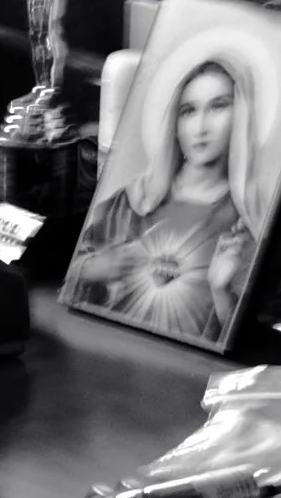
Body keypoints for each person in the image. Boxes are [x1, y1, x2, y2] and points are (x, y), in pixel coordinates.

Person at [63, 56, 263, 343]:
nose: (201, 126)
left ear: (242, 115)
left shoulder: (245, 223)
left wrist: (221, 290)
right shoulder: (134, 202)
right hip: (109, 349)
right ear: (175, 122)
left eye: (218, 106)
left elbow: (244, 344)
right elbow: (73, 282)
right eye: (189, 110)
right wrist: (96, 267)